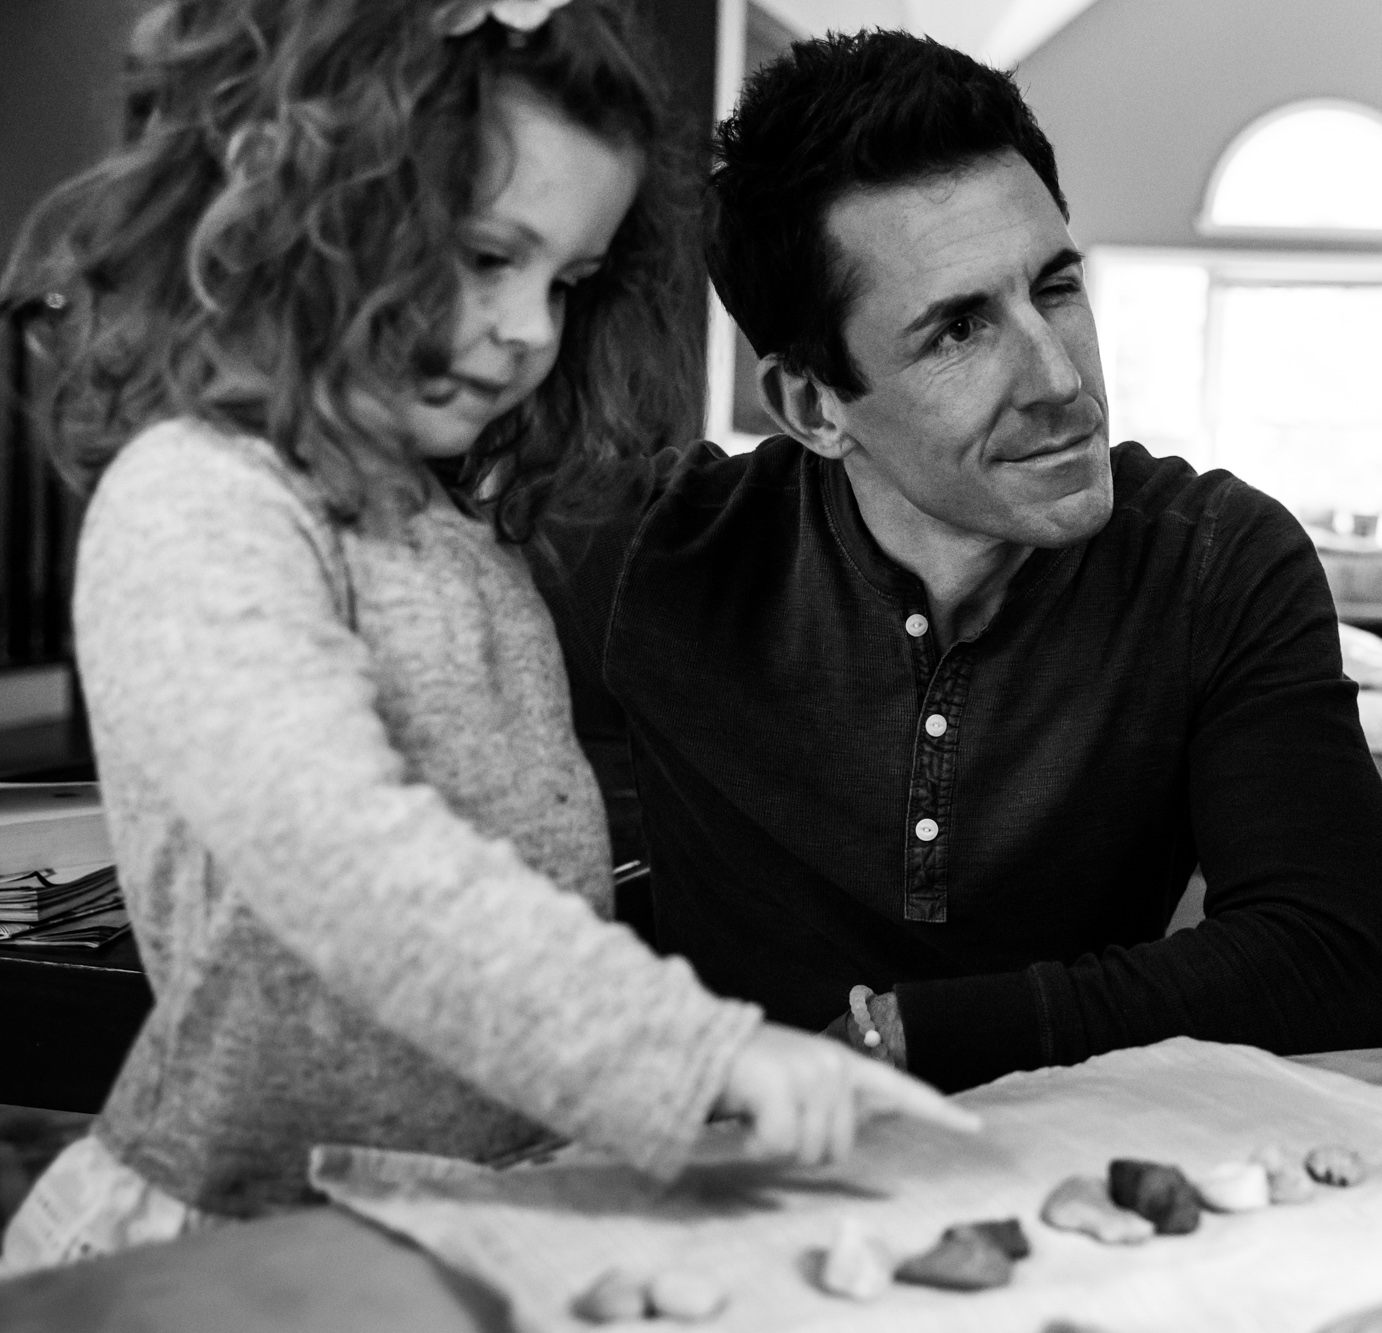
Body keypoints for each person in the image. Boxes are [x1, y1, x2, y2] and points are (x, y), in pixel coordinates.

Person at [0, 0, 968, 1275]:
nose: (526, 328)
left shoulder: (450, 530)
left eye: (565, 282)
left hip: (463, 1215)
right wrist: (694, 1050)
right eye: (481, 255)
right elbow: (350, 864)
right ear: (312, 215)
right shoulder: (197, 499)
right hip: (257, 1239)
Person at [537, 29, 1382, 1095]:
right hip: (731, 1179)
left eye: (1053, 288)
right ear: (813, 406)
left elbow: (1333, 956)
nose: (1058, 379)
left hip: (1071, 1180)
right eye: (956, 331)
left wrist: (911, 1037)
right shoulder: (653, 551)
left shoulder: (1219, 557)